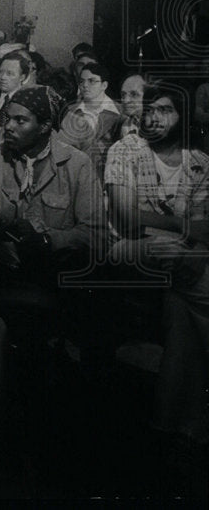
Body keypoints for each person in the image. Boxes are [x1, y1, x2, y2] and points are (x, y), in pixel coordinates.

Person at [104, 86, 209, 449]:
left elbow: (204, 227)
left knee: (182, 313)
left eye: (164, 111)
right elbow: (129, 219)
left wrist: (193, 245)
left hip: (179, 256)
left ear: (182, 117)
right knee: (189, 264)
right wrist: (190, 239)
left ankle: (177, 421)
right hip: (126, 249)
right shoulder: (126, 150)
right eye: (149, 110)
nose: (152, 118)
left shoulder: (198, 161)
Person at [0, 86, 103, 313]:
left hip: (52, 261)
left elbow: (95, 232)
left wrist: (46, 240)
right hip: (1, 257)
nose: (8, 126)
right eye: (7, 118)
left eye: (20, 121)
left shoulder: (77, 164)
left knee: (85, 270)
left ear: (45, 126)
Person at [60, 61, 124, 175]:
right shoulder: (71, 112)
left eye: (91, 81)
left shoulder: (120, 112)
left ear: (104, 85)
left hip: (113, 173)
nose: (85, 85)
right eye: (82, 81)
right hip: (78, 173)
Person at [0, 50, 33, 121]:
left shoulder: (28, 104)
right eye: (1, 72)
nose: (2, 77)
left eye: (9, 73)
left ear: (22, 77)